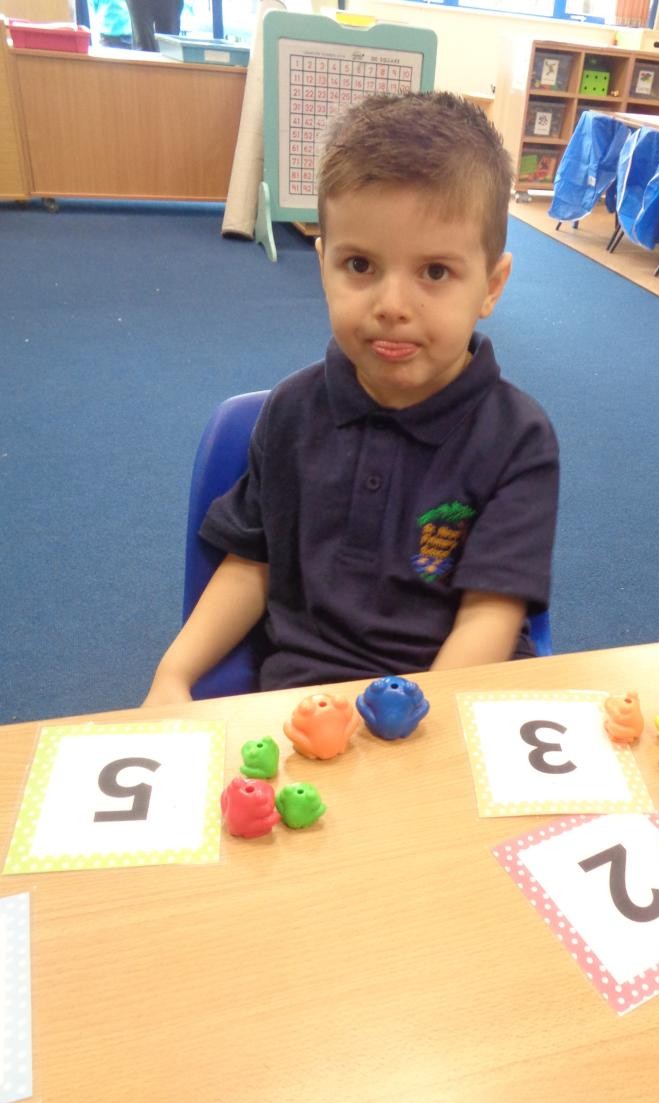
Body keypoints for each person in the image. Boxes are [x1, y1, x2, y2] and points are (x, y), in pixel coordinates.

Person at [143, 91, 560, 706]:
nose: (391, 305)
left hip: (451, 698)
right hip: (305, 698)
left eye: (435, 272)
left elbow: (491, 614)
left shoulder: (517, 438)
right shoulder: (291, 413)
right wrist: (172, 675)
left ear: (491, 286)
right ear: (323, 266)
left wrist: (416, 717)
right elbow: (253, 564)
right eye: (360, 265)